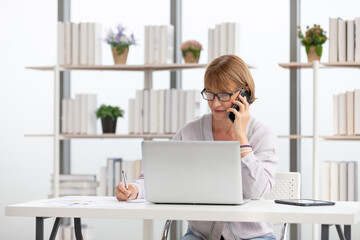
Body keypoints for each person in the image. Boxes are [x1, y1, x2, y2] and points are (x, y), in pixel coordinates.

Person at [115, 55, 278, 240]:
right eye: (210, 93)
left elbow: (256, 192)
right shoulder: (190, 131)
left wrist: (242, 138)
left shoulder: (261, 134)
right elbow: (159, 176)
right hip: (201, 236)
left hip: (254, 237)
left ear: (244, 93)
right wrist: (134, 189)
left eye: (223, 95)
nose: (215, 103)